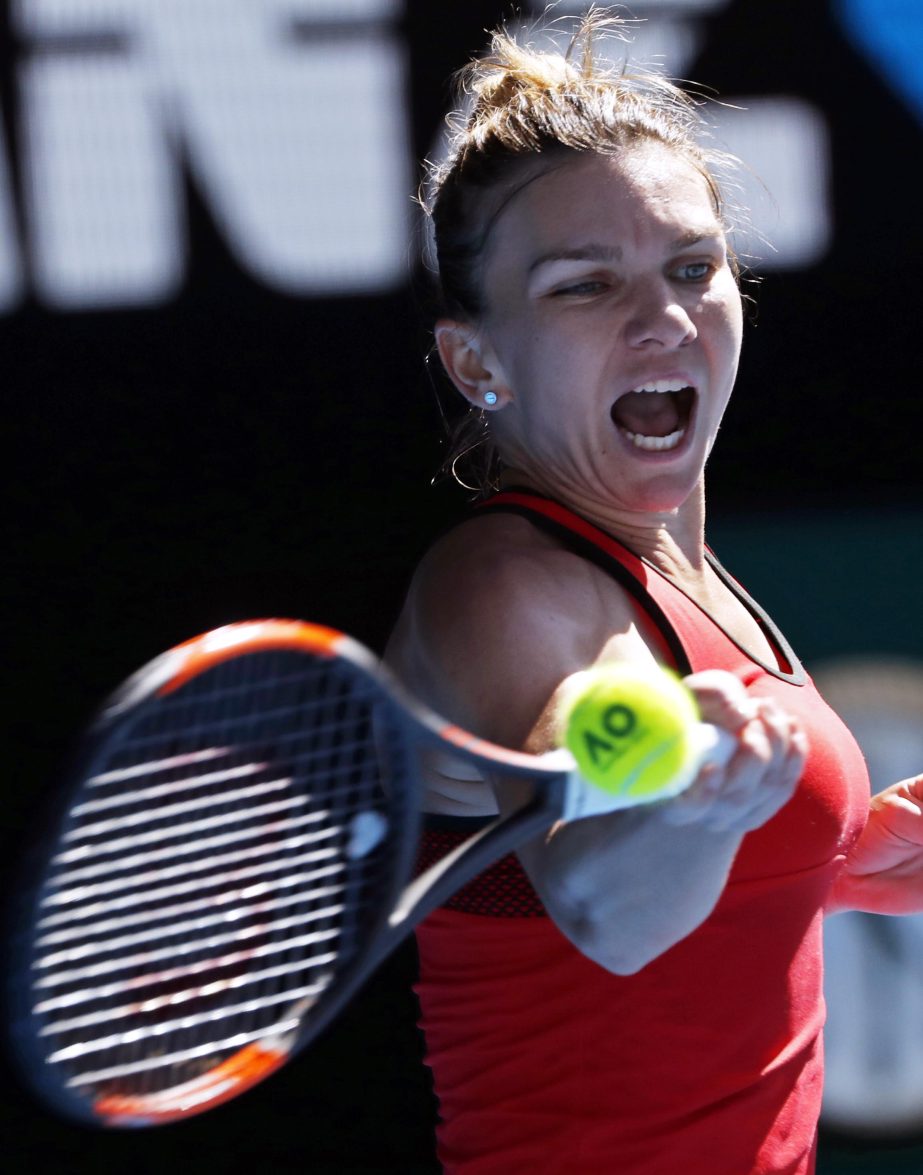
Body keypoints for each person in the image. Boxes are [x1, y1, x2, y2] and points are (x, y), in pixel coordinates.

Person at [385, 13, 923, 1174]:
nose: (662, 316)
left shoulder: (674, 568)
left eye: (691, 266)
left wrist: (845, 849)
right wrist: (693, 805)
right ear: (476, 361)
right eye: (585, 286)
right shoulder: (511, 587)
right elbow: (599, 899)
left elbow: (703, 886)